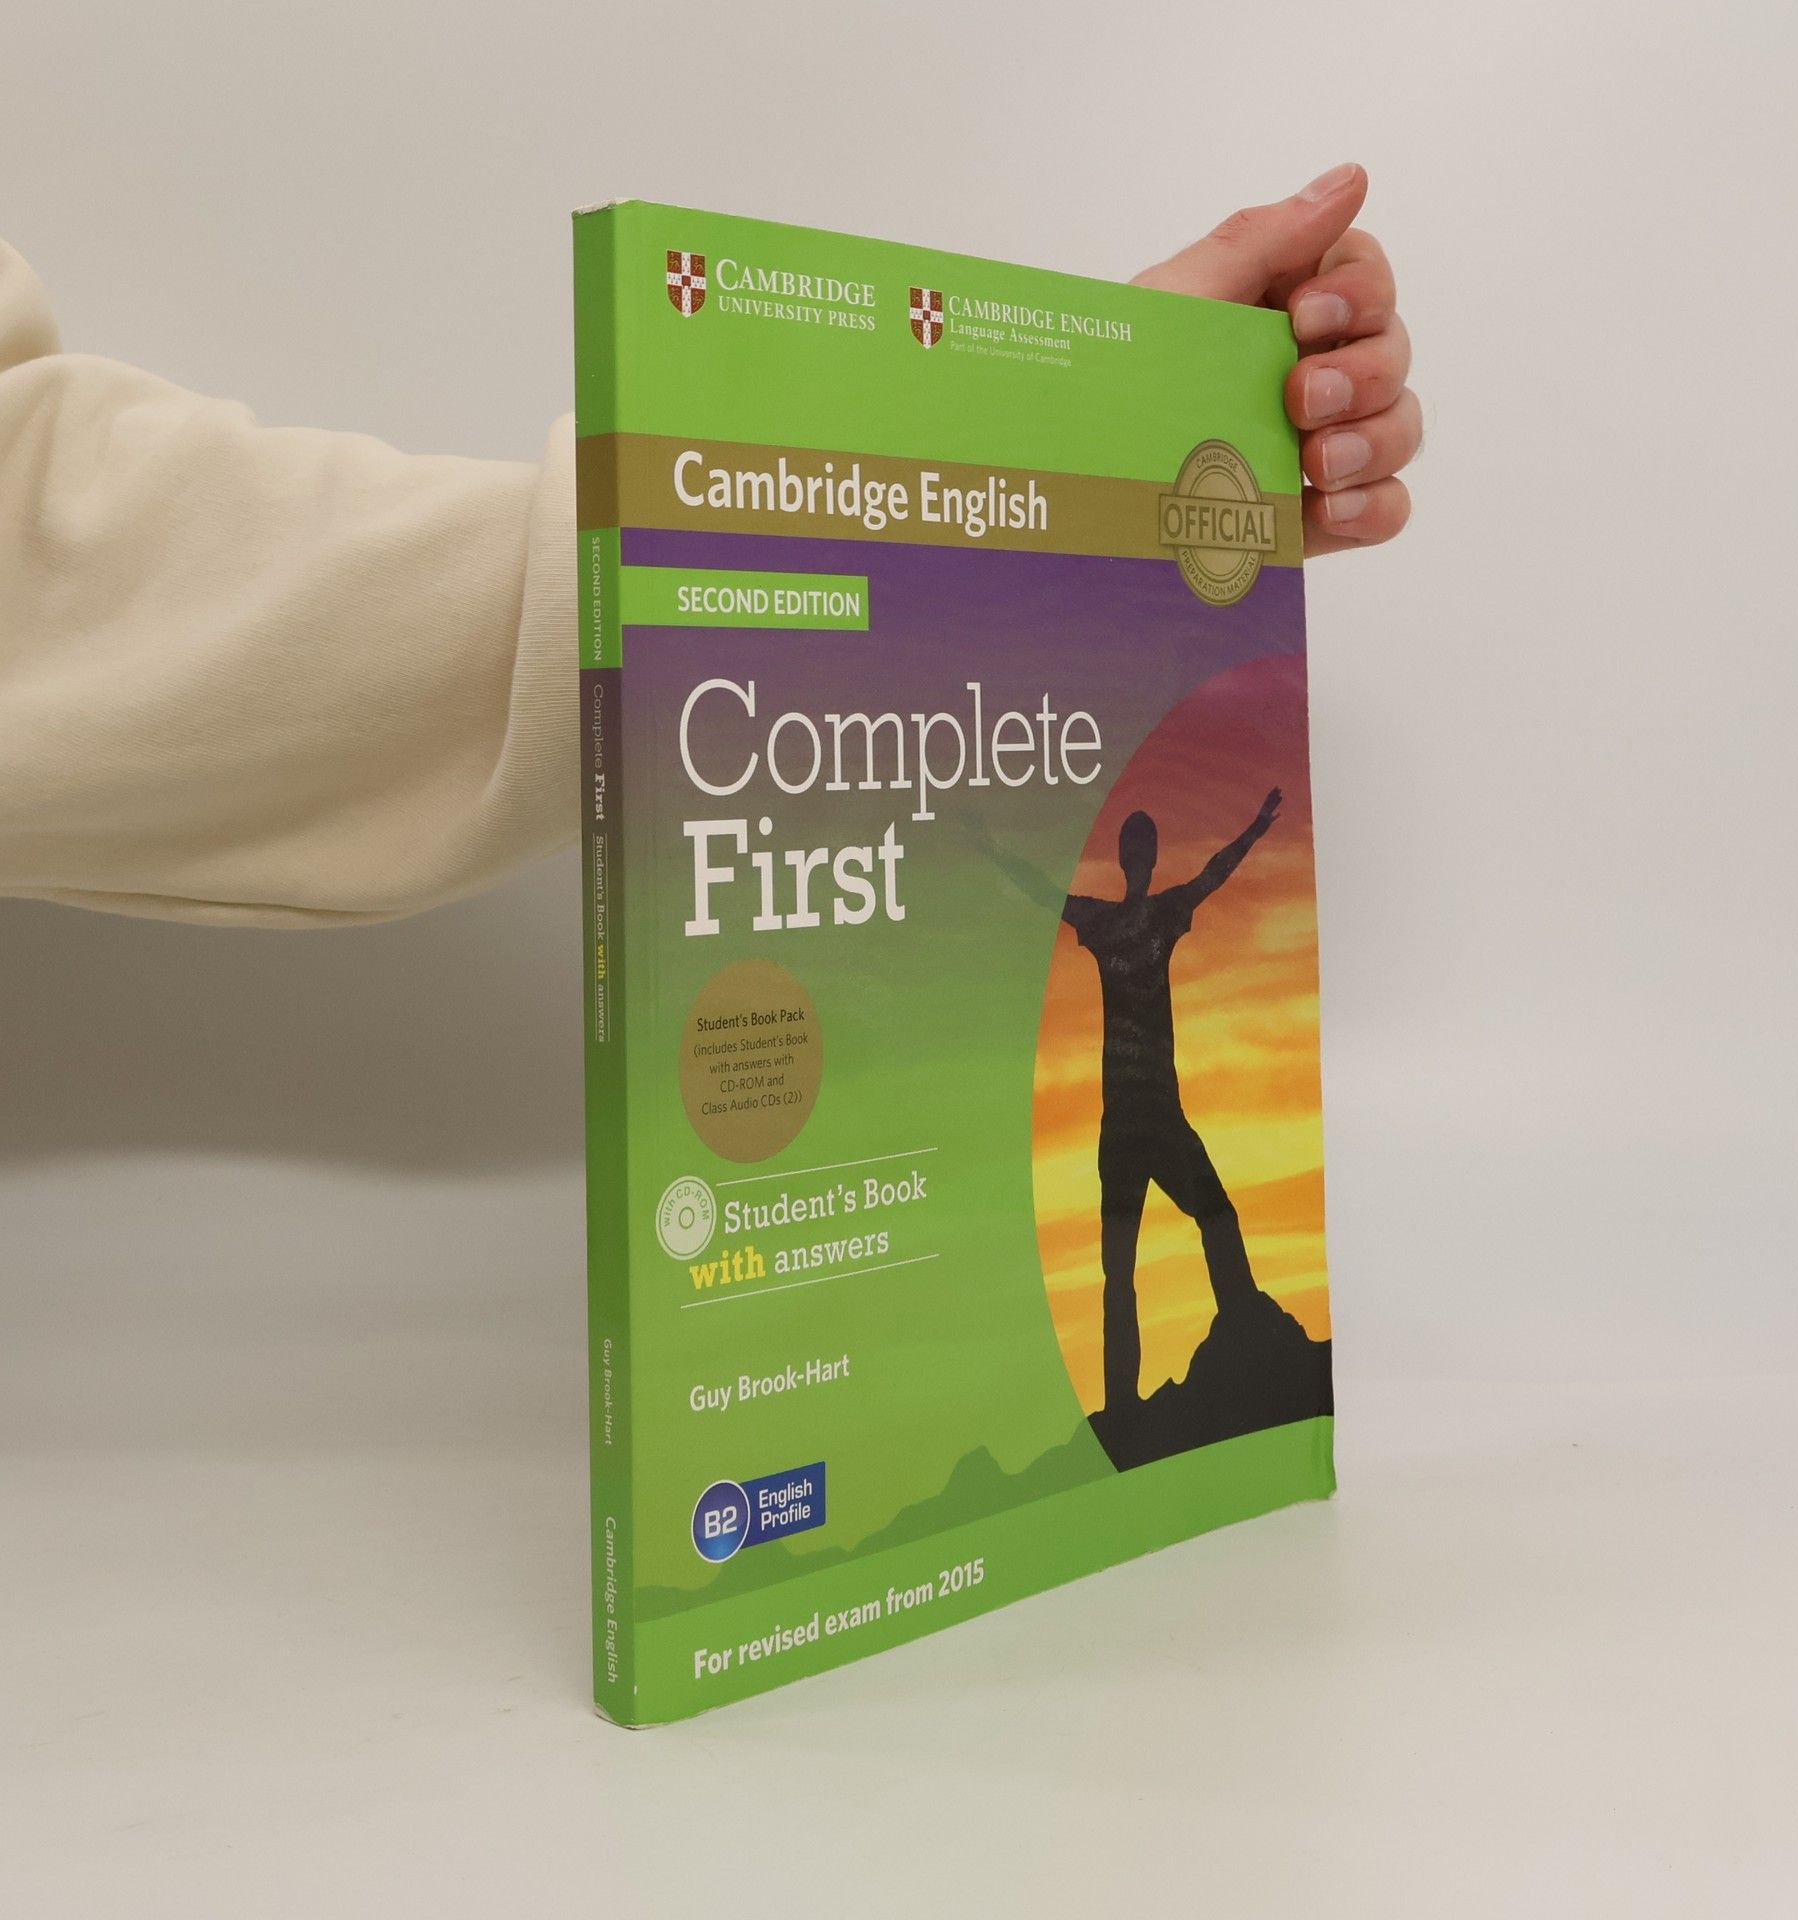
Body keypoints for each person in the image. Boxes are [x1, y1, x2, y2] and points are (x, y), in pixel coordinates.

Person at [0, 164, 1417, 927]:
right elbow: (59, 587)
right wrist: (1004, 486)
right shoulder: (1119, 925)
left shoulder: (1128, 921)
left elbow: (62, 567)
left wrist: (1043, 483)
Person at [1064, 791, 1284, 1412]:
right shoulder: (1132, 918)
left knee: (1146, 1257)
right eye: (1139, 849)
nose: (1140, 858)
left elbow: (1214, 873)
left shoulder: (1122, 919)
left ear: (1136, 857)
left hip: (1140, 1122)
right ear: (1141, 858)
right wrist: (1256, 828)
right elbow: (1211, 874)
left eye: (1141, 849)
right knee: (1139, 1258)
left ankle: (1228, 1342)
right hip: (1144, 1121)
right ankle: (1126, 1405)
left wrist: (1256, 828)